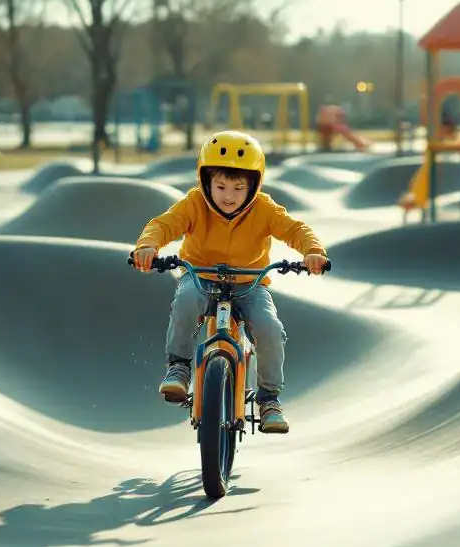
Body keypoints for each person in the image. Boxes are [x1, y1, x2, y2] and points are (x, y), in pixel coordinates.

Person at [131, 130, 329, 434]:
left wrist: (313, 252)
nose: (228, 196)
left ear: (253, 186)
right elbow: (163, 224)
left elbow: (296, 230)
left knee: (269, 328)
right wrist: (148, 246)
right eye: (220, 186)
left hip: (249, 284)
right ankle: (179, 366)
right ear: (205, 181)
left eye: (238, 187)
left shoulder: (264, 208)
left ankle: (269, 400)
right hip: (201, 277)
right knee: (185, 300)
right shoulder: (194, 204)